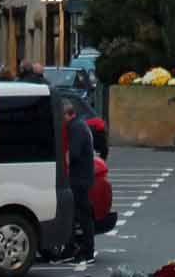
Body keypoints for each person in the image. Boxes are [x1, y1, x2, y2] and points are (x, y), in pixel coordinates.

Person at [64, 96, 98, 262]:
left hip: (79, 179)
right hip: (83, 177)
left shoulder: (75, 128)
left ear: (68, 114)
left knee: (83, 216)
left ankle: (87, 251)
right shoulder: (79, 124)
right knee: (80, 215)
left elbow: (74, 154)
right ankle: (79, 248)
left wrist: (65, 160)